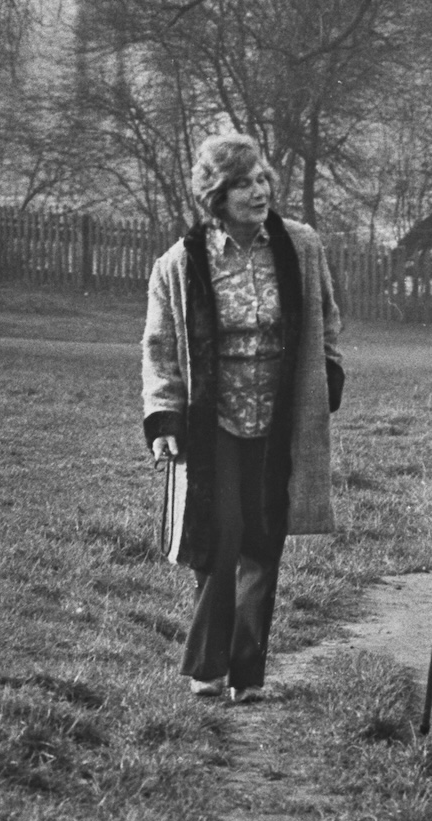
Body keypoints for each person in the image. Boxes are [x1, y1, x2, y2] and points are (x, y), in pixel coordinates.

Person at [142, 133, 343, 703]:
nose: (259, 192)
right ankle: (208, 664)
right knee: (221, 535)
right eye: (243, 184)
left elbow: (328, 319)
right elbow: (159, 348)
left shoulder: (301, 245)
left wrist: (328, 375)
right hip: (216, 420)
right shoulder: (180, 264)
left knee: (264, 538)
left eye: (262, 179)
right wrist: (164, 420)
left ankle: (248, 673)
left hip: (279, 417)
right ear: (216, 195)